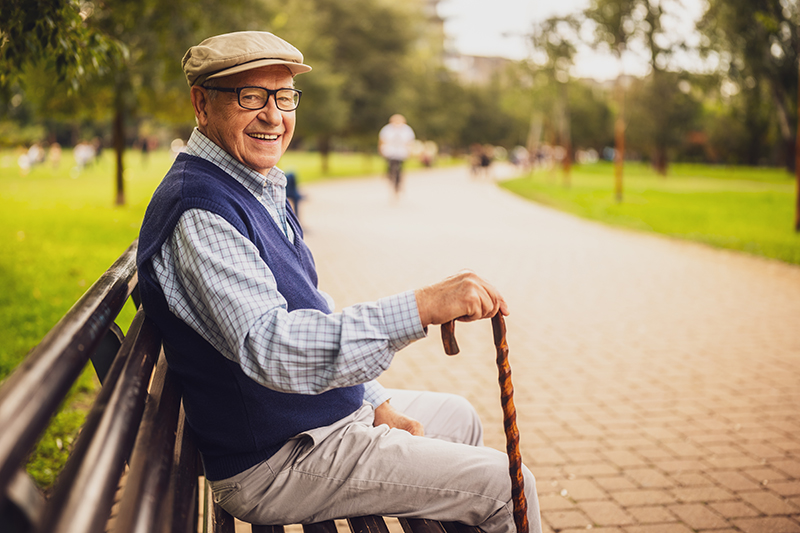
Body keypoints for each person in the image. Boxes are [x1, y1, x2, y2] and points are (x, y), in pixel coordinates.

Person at [136, 31, 541, 533]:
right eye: (250, 96)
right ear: (201, 104)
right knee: (507, 484)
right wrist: (420, 307)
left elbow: (314, 311)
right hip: (275, 461)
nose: (273, 115)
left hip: (308, 424)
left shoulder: (251, 185)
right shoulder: (201, 210)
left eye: (284, 96)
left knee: (458, 417)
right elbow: (272, 348)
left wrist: (373, 401)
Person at [378, 113, 415, 196]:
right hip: (390, 151)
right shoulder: (387, 129)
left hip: (401, 152)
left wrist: (410, 151)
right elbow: (382, 140)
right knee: (390, 164)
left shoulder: (407, 130)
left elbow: (410, 141)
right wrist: (381, 149)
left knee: (399, 168)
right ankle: (389, 175)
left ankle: (398, 183)